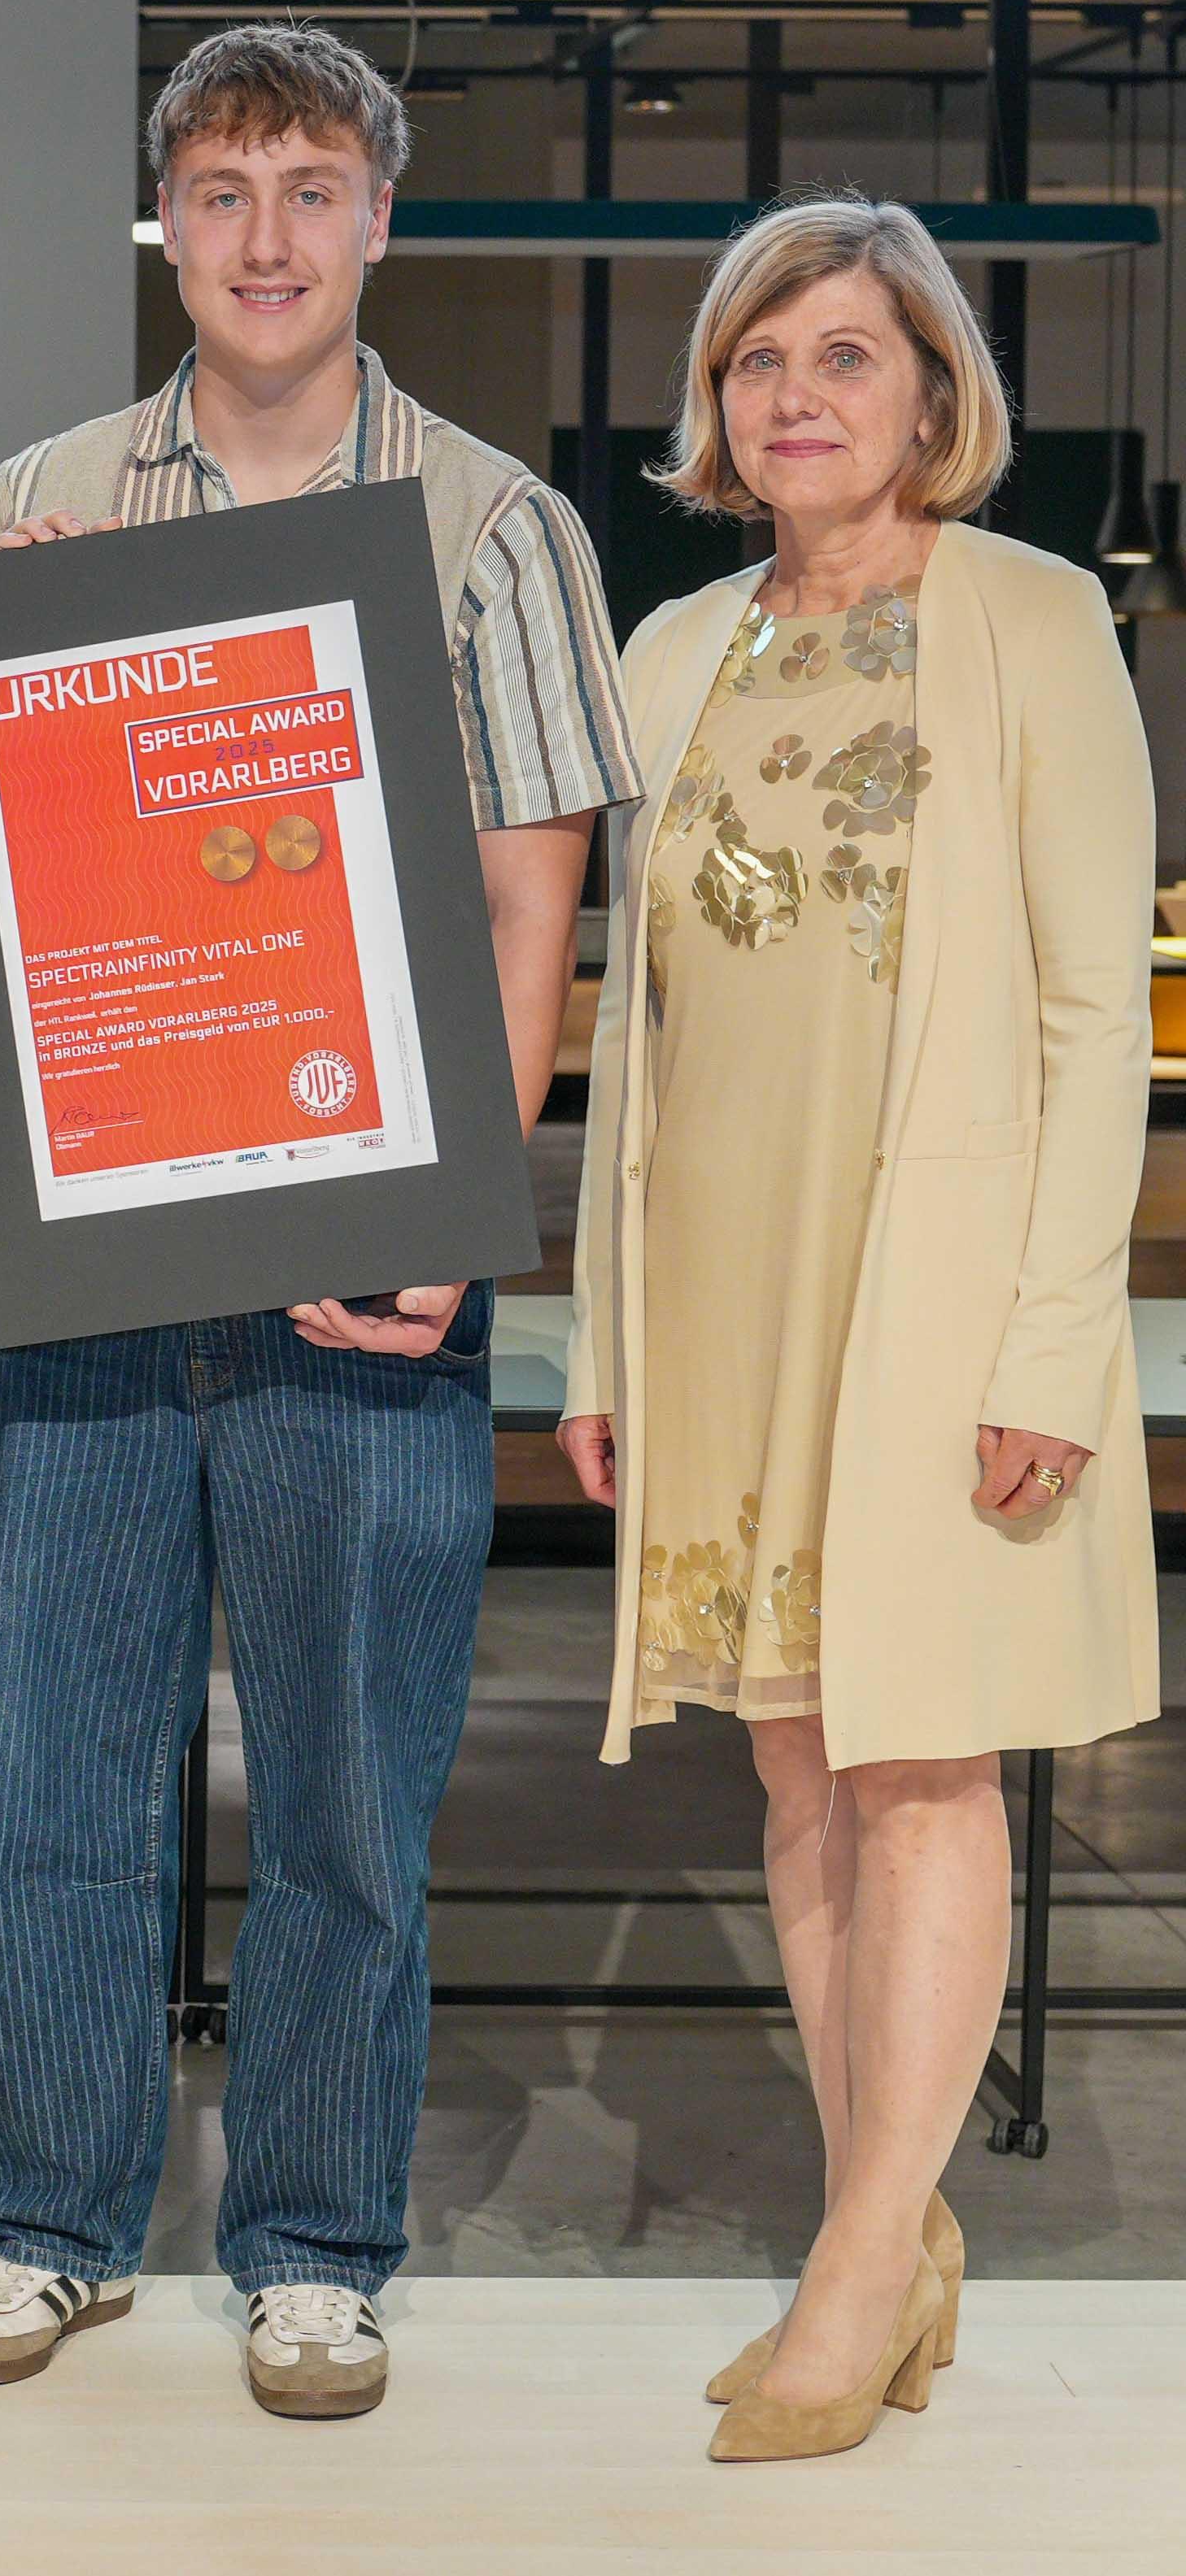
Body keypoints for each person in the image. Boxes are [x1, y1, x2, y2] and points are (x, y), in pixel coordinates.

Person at [0, 25, 631, 2420]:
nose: (268, 237)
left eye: (314, 188)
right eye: (221, 193)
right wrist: (0, 659)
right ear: (170, 230)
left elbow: (531, 911)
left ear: (380, 220)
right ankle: (47, 2223)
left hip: (361, 1273)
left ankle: (315, 2242)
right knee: (48, 1774)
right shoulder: (43, 495)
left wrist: (453, 1215)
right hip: (88, 1262)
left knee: (343, 1790)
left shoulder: (498, 530)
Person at [558, 196, 1158, 2464]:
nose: (796, 394)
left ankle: (860, 2255)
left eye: (844, 354)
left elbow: (1095, 1014)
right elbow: (634, 1029)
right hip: (723, 1284)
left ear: (931, 395)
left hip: (937, 1291)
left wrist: (1051, 1343)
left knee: (924, 1763)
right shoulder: (673, 650)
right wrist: (607, 1340)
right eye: (757, 359)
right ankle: (884, 2232)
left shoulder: (1032, 620)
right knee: (801, 1764)